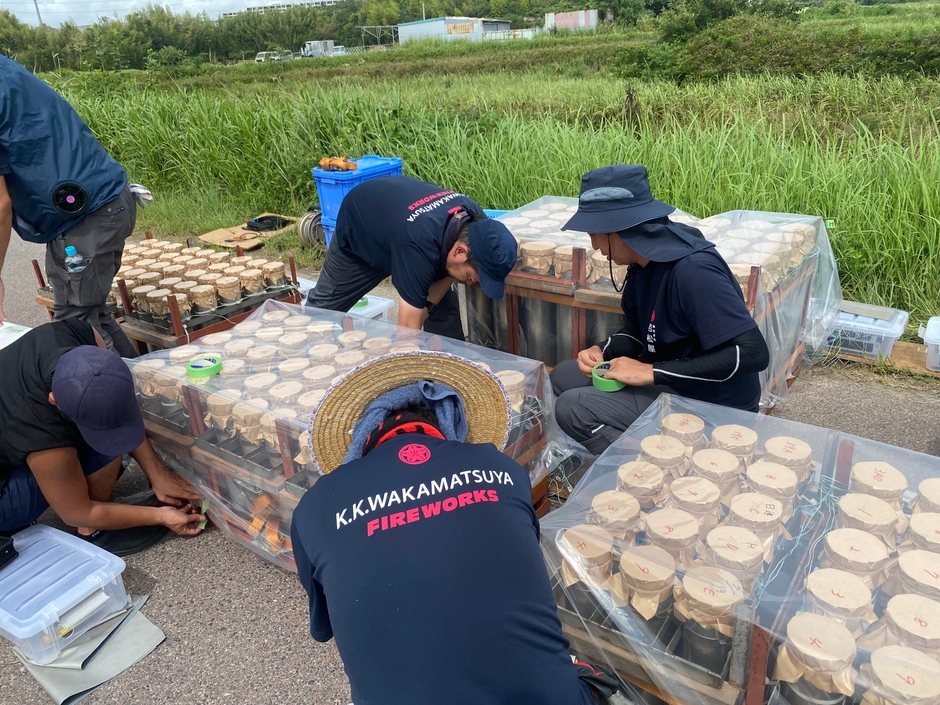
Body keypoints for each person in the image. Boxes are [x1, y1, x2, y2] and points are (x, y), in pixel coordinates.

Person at [291, 352, 618, 705]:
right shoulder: (501, 468)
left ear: (366, 439)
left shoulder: (315, 507)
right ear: (450, 427)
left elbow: (327, 628)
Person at [550, 165, 770, 455]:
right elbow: (639, 333)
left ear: (621, 229)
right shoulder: (643, 264)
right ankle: (647, 444)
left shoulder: (693, 271)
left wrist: (650, 371)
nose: (593, 245)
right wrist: (602, 350)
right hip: (671, 379)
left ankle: (663, 465)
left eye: (594, 233)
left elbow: (754, 354)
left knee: (571, 408)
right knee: (564, 375)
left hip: (712, 404)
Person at [0, 319, 205, 554]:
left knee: (104, 420)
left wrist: (159, 474)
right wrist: (160, 516)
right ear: (53, 399)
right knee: (100, 444)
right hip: (4, 500)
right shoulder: (40, 427)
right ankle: (92, 532)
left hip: (18, 430)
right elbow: (77, 513)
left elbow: (113, 403)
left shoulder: (76, 331)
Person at [0, 55, 138, 358]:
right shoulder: (5, 70)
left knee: (75, 324)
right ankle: (141, 381)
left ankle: (120, 388)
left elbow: (1, 205)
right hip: (109, 201)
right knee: (90, 313)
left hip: (87, 218)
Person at [306, 175, 518, 341]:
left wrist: (428, 306)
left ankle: (453, 368)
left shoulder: (474, 222)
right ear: (460, 252)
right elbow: (407, 335)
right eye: (471, 278)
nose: (470, 283)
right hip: (363, 230)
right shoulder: (418, 247)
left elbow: (449, 273)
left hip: (405, 227)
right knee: (321, 312)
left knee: (444, 314)